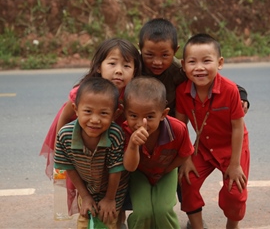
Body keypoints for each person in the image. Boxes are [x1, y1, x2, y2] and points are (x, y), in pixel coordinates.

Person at [40, 38, 141, 215]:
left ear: (134, 71)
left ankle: (117, 215)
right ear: (98, 67)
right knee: (89, 175)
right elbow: (65, 114)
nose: (119, 71)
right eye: (112, 63)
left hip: (115, 143)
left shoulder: (131, 95)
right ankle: (88, 205)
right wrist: (61, 145)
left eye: (126, 66)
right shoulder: (84, 91)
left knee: (115, 173)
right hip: (85, 143)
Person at [175, 33, 250, 229]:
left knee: (235, 191)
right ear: (183, 66)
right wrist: (186, 158)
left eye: (206, 61)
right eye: (192, 62)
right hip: (202, 146)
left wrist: (234, 164)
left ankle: (232, 226)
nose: (199, 68)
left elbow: (237, 127)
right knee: (187, 181)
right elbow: (180, 128)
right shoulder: (182, 91)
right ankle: (197, 226)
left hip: (232, 147)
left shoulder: (230, 90)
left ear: (220, 63)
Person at [54, 77, 129, 229]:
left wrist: (109, 199)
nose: (95, 120)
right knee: (84, 223)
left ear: (115, 114)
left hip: (114, 190)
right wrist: (86, 196)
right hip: (86, 188)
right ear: (75, 109)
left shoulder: (115, 134)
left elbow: (115, 169)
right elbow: (68, 167)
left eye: (103, 113)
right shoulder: (65, 135)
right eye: (88, 111)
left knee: (108, 222)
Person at [122, 76, 194, 229]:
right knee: (143, 212)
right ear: (125, 113)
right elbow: (129, 167)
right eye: (133, 116)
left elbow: (185, 153)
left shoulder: (177, 129)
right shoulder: (124, 131)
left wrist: (166, 169)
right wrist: (133, 145)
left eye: (149, 116)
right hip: (139, 172)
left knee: (163, 210)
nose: (141, 123)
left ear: (163, 114)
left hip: (166, 171)